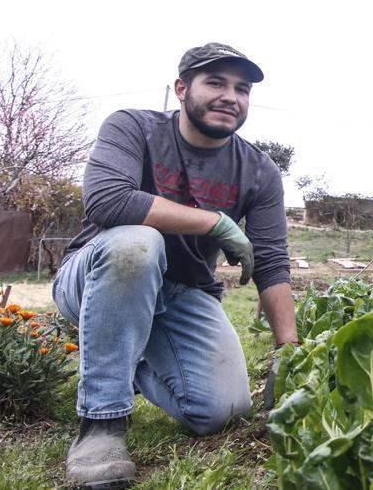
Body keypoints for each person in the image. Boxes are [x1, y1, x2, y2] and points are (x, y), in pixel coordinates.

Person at [52, 43, 298, 487]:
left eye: (242, 89)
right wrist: (215, 222)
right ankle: (101, 424)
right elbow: (109, 201)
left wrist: (289, 348)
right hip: (95, 273)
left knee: (220, 412)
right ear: (182, 88)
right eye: (216, 83)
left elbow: (273, 260)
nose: (231, 96)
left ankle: (121, 348)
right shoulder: (134, 128)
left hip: (183, 291)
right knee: (136, 243)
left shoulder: (258, 170)